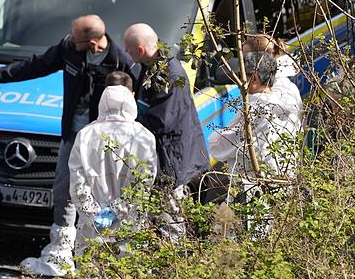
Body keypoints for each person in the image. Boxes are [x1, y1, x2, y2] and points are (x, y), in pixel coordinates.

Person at [0, 14, 137, 276]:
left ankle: (99, 260)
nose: (69, 39)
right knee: (64, 192)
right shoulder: (69, 49)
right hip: (73, 136)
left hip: (104, 145)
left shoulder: (121, 63)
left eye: (75, 37)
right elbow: (35, 65)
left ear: (93, 43)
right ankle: (60, 254)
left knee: (101, 197)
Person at [122, 23, 210, 241]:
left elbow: (162, 121)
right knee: (158, 218)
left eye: (129, 50)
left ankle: (175, 258)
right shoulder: (150, 67)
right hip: (163, 155)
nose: (126, 53)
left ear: (141, 50)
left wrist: (128, 125)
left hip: (173, 159)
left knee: (170, 220)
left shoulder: (171, 75)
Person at [68, 72, 158, 256]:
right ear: (131, 98)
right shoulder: (144, 137)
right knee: (128, 271)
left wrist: (92, 213)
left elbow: (78, 183)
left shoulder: (86, 135)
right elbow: (143, 183)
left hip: (91, 228)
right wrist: (118, 210)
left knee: (90, 270)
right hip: (129, 223)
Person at [209, 51, 302, 177]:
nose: (238, 81)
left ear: (254, 78)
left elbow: (220, 146)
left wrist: (214, 136)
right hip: (286, 176)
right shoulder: (288, 97)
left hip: (255, 183)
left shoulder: (255, 111)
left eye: (240, 75)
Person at [242, 34, 302, 108]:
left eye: (246, 55)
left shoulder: (277, 87)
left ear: (261, 57)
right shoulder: (284, 82)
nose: (243, 60)